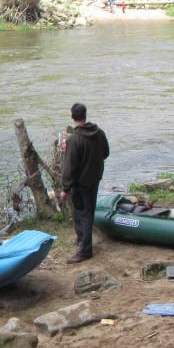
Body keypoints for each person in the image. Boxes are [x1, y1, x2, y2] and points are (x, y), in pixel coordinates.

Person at [59, 103, 110, 264]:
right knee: (86, 212)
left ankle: (85, 251)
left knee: (83, 214)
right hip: (94, 179)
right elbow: (105, 153)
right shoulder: (99, 132)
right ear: (85, 115)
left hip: (80, 183)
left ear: (72, 116)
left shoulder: (74, 139)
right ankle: (82, 240)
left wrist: (65, 188)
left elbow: (70, 167)